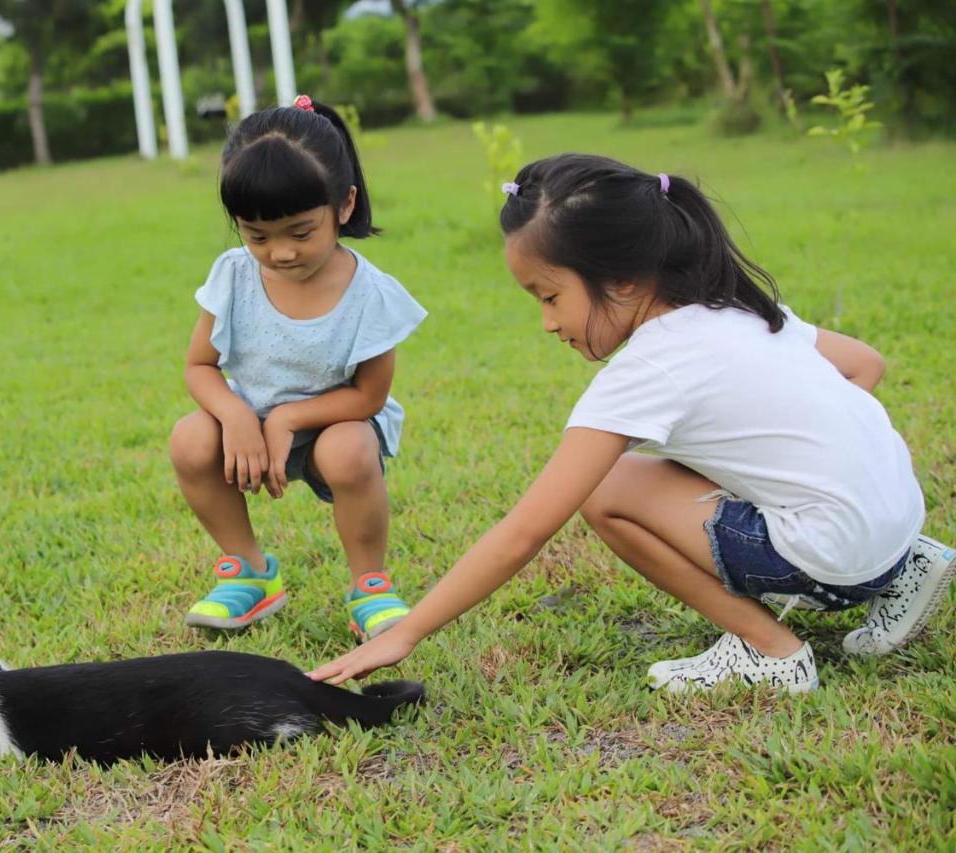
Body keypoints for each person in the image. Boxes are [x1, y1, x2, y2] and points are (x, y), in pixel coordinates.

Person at [308, 153, 954, 693]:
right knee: (679, 472)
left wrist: (408, 630)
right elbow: (866, 365)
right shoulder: (732, 305)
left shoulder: (647, 370)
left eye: (550, 296)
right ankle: (905, 568)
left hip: (836, 553)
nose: (548, 323)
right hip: (898, 518)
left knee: (607, 489)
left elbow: (525, 530)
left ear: (619, 277)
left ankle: (771, 650)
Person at [170, 95, 427, 641]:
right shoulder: (233, 276)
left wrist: (286, 420)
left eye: (300, 232)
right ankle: (250, 572)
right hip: (249, 421)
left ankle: (371, 586)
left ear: (345, 204)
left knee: (349, 449)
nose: (280, 253)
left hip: (339, 421)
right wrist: (238, 417)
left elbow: (369, 397)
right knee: (190, 439)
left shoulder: (370, 294)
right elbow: (199, 366)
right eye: (257, 235)